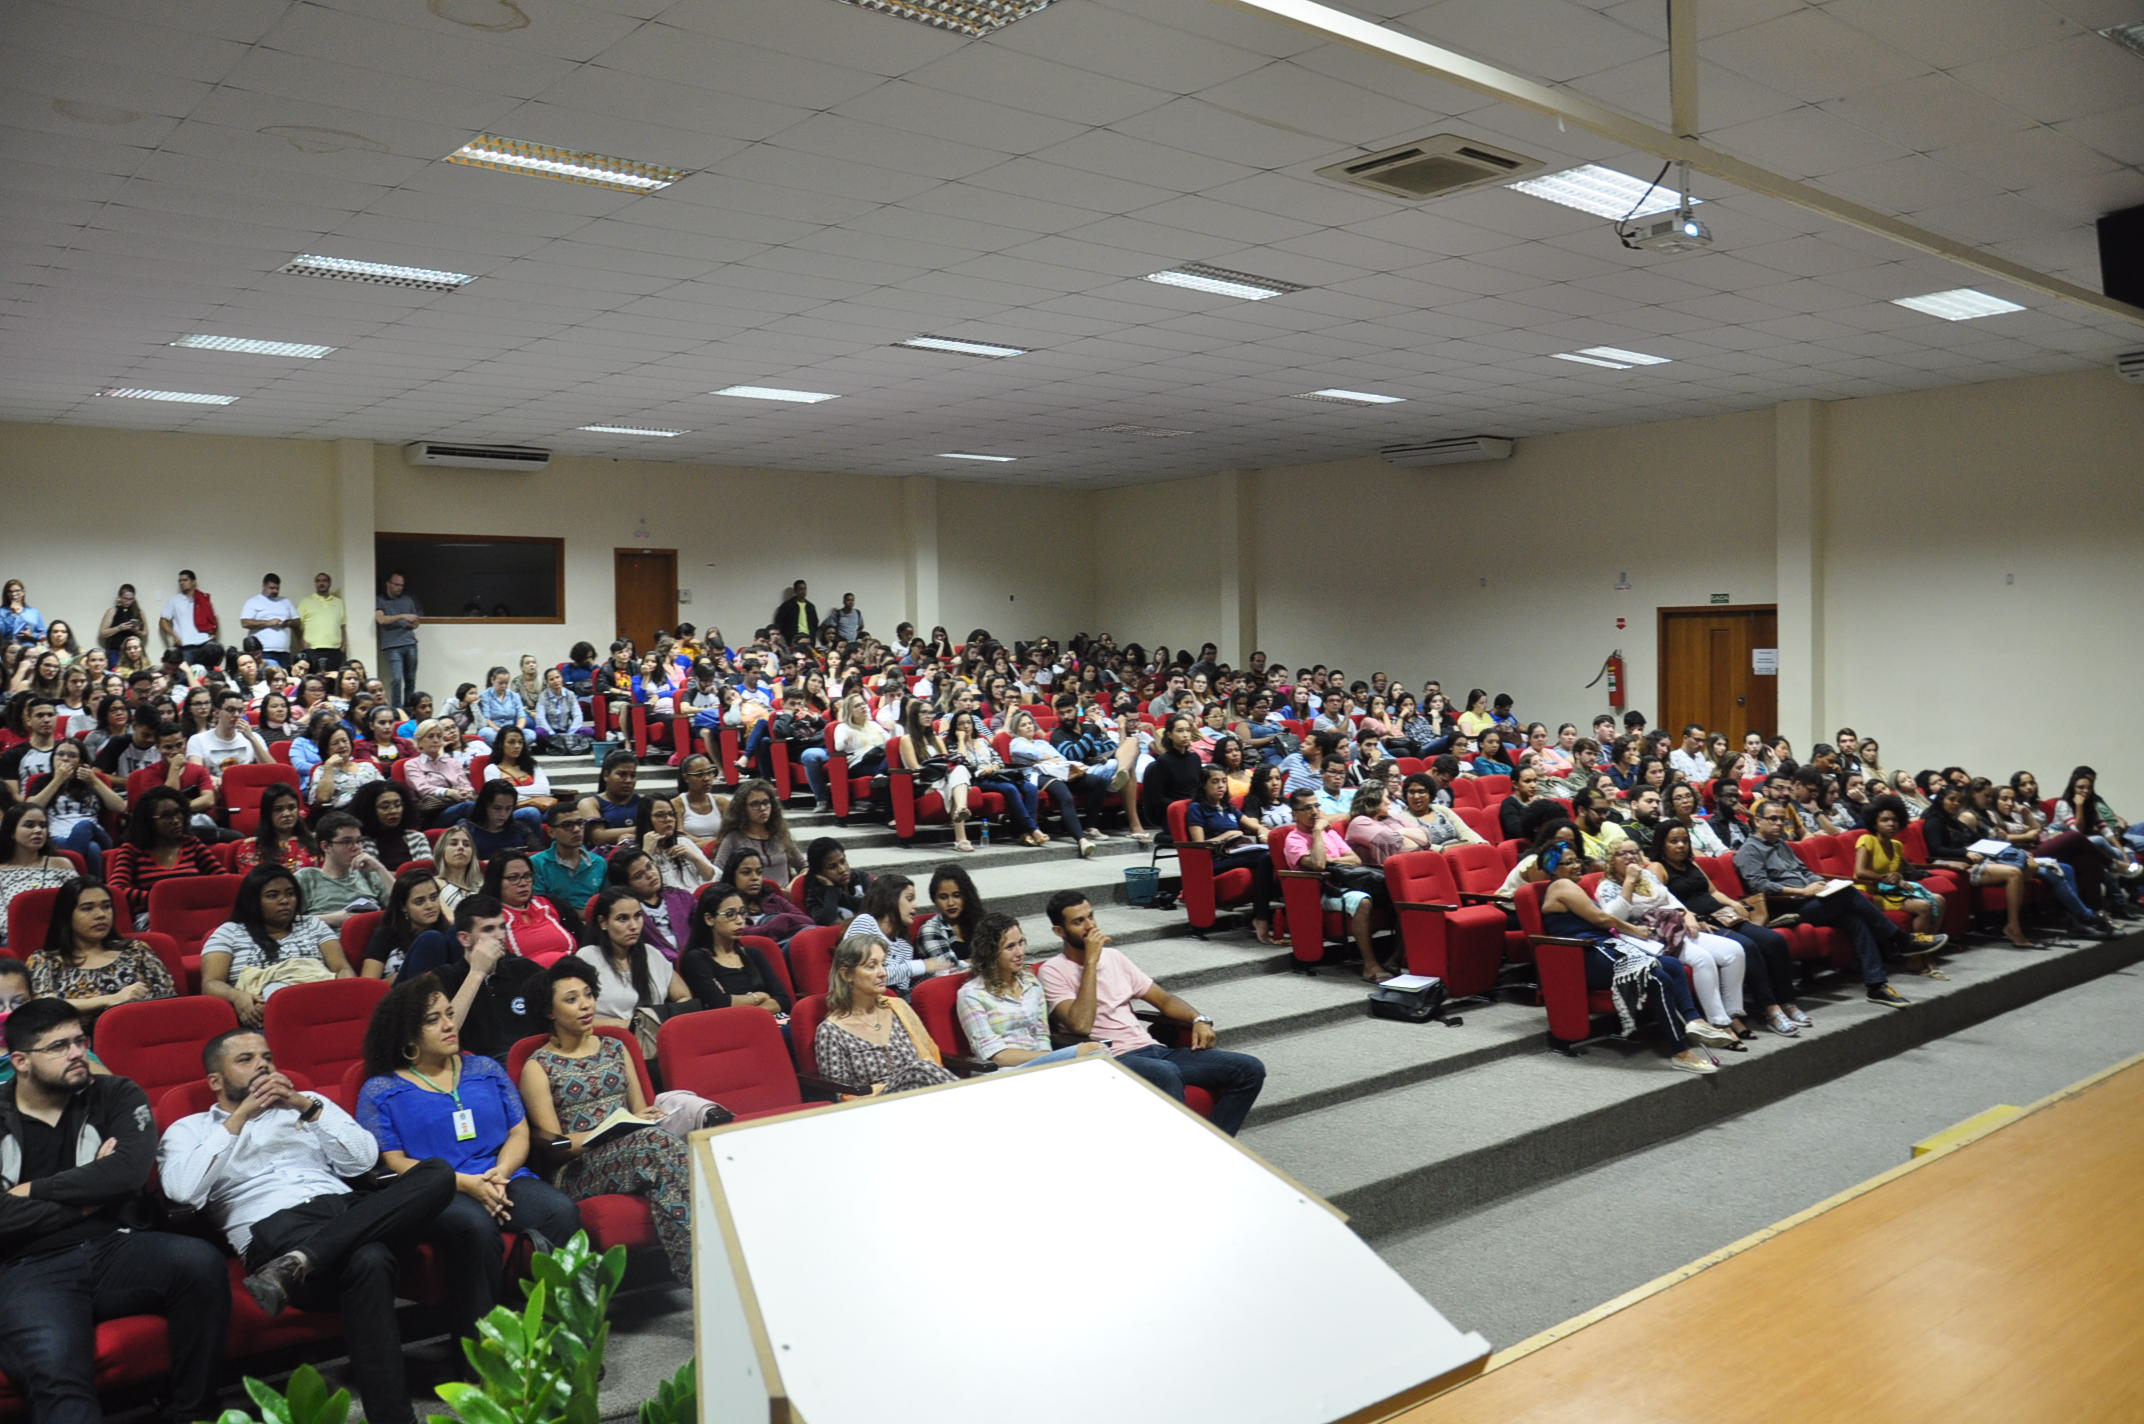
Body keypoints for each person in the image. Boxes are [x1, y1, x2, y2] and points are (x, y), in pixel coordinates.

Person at [160, 1027, 456, 1424]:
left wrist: (304, 1105)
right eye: (246, 1060)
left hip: (344, 1210)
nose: (262, 1066)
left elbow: (362, 1160)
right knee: (369, 1258)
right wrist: (241, 1117)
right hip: (274, 1230)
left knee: (437, 1173)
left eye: (267, 1057)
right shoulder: (190, 1130)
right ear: (215, 1081)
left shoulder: (309, 1105)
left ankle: (300, 1262)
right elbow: (182, 1191)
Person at [0, 999, 232, 1424]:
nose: (77, 1053)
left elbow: (127, 1174)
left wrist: (35, 1190)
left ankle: (189, 1410)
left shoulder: (116, 1093)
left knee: (199, 1263)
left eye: (80, 1041)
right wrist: (91, 1195)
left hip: (114, 1245)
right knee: (55, 1364)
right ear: (21, 1061)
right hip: (26, 1266)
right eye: (59, 1047)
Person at [356, 977, 580, 1336]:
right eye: (433, 1019)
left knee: (560, 1211)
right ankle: (481, 1348)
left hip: (502, 1177)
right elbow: (395, 1161)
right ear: (408, 1034)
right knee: (475, 1228)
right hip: (438, 1192)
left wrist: (500, 1173)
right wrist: (465, 1183)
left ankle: (564, 1337)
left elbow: (518, 1132)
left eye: (449, 1014)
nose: (449, 1024)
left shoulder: (485, 1070)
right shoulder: (382, 1090)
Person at [518, 959, 693, 1281]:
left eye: (588, 994)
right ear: (549, 1011)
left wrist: (644, 1118)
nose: (586, 1005)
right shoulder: (538, 1066)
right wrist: (606, 1132)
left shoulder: (616, 1047)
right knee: (655, 1147)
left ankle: (701, 1263)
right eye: (571, 999)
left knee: (670, 1145)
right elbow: (555, 1147)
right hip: (578, 1168)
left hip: (637, 1148)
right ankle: (701, 1268)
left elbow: (641, 1112)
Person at [1038, 892, 1265, 1133]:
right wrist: (1091, 962)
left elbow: (1164, 1000)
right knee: (1166, 1073)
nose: (1090, 926)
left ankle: (1214, 1145)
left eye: (1091, 916)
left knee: (1249, 1069)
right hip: (1110, 1058)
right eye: (1078, 922)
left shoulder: (1115, 957)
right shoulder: (1052, 971)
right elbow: (1080, 1025)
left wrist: (1198, 1019)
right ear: (1059, 931)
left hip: (1153, 1050)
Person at [1535, 844, 1722, 1073]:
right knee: (1656, 978)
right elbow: (1601, 919)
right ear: (1554, 869)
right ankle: (1680, 1051)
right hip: (1585, 955)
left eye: (1577, 860)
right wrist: (1634, 931)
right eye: (1568, 862)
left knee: (1672, 965)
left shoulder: (1573, 886)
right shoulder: (1561, 885)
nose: (1576, 866)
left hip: (1607, 948)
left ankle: (1694, 1021)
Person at [1736, 800, 1914, 1008]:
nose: (1779, 823)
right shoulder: (1749, 850)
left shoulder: (1782, 845)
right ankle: (1899, 939)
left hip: (1810, 900)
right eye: (1773, 819)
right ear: (1757, 821)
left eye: (1782, 819)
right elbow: (1760, 885)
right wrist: (1803, 891)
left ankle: (1876, 985)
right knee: (1850, 894)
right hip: (1787, 908)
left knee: (1854, 919)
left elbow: (1805, 871)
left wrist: (1821, 884)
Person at [1653, 825, 1809, 1035]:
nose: (1681, 845)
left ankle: (1787, 1002)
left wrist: (1733, 903)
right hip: (1702, 924)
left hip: (1723, 916)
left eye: (1684, 841)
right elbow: (1663, 903)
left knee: (1774, 941)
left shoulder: (1692, 863)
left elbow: (1713, 892)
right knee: (1748, 946)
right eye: (1674, 841)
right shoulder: (1658, 868)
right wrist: (1691, 918)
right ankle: (1770, 1009)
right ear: (1662, 844)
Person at [1595, 841, 1750, 1040]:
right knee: (1702, 959)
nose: (1630, 857)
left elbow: (1671, 900)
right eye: (1622, 853)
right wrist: (1629, 882)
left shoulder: (1648, 876)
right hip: (1649, 937)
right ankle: (1718, 1022)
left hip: (1675, 928)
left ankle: (1733, 1013)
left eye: (1634, 852)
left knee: (1734, 951)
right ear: (1611, 860)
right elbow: (1614, 918)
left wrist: (1688, 916)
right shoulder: (1606, 886)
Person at [955, 913, 1108, 1070]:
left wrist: (1051, 1063)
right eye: (1010, 947)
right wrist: (1057, 1058)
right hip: (1003, 1071)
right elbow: (995, 1056)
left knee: (1096, 1056)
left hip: (1040, 1065)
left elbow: (1042, 1036)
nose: (1020, 952)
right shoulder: (971, 994)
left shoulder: (1031, 983)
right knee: (1091, 1051)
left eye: (1021, 943)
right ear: (990, 952)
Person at [203, 864, 353, 1025]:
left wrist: (345, 993)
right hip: (261, 1012)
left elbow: (342, 968)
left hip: (319, 1004)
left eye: (290, 893)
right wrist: (237, 996)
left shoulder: (313, 925)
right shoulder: (228, 933)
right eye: (272, 895)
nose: (284, 901)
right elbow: (211, 983)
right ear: (253, 901)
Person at [814, 936, 958, 1096]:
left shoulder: (898, 1008)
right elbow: (840, 1094)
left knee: (923, 1069)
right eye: (871, 966)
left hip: (922, 1095)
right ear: (847, 974)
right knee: (920, 1069)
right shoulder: (830, 1032)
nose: (883, 973)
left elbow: (931, 1056)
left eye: (883, 964)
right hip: (874, 1104)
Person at [1278, 791, 1395, 983]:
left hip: (1345, 883)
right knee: (1362, 901)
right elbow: (1318, 865)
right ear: (1294, 814)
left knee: (1399, 893)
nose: (1314, 812)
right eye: (1307, 808)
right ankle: (1370, 965)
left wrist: (1330, 860)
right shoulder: (1294, 839)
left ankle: (1395, 958)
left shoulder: (1330, 833)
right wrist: (1317, 832)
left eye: (1316, 806)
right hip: (1320, 892)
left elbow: (1355, 860)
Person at [28, 877, 179, 1023]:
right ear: (66, 915)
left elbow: (169, 1003)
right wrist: (112, 999)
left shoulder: (136, 951)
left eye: (106, 906)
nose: (101, 915)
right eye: (87, 908)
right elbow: (43, 1008)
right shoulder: (44, 961)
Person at [1853, 796, 1959, 963]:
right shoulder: (1867, 840)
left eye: (1895, 820)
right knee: (1923, 907)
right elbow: (1860, 872)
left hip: (1892, 892)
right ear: (1874, 824)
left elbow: (1902, 872)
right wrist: (1885, 878)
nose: (1891, 824)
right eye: (1885, 820)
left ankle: (1927, 950)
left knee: (1939, 900)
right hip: (1871, 894)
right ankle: (1915, 959)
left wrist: (1901, 878)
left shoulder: (1897, 845)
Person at [1181, 764, 1280, 944]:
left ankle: (1263, 916)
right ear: (1204, 785)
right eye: (1215, 782)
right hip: (1215, 860)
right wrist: (1226, 836)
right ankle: (1261, 918)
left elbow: (1252, 824)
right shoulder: (1197, 808)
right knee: (1264, 857)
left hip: (1236, 853)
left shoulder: (1228, 807)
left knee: (1269, 855)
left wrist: (1263, 831)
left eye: (1224, 781)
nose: (1221, 786)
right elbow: (1198, 846)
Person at [104, 786, 223, 929]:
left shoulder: (192, 844)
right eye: (166, 816)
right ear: (148, 822)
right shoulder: (132, 850)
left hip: (193, 914)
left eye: (178, 812)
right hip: (152, 917)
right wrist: (161, 898)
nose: (176, 820)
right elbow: (117, 889)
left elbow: (223, 880)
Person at [676, 882, 791, 1015]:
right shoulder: (695, 959)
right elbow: (719, 1004)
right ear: (709, 919)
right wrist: (758, 997)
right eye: (730, 914)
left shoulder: (753, 953)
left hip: (774, 1021)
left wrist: (748, 1008)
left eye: (742, 913)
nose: (740, 921)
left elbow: (783, 1000)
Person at [297, 810, 394, 928]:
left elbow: (403, 906)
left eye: (359, 841)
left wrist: (379, 868)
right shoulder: (307, 878)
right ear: (325, 846)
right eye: (347, 842)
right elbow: (286, 921)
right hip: (329, 938)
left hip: (372, 935)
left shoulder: (368, 874)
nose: (356, 847)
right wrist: (332, 919)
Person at [0, 805, 77, 948]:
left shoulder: (62, 864)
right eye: (29, 825)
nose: (38, 830)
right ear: (11, 832)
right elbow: (2, 919)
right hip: (18, 938)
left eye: (43, 826)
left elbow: (80, 900)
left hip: (65, 935)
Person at [484, 850, 575, 967]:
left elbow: (583, 938)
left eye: (527, 876)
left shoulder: (552, 904)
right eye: (513, 878)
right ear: (495, 881)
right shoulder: (488, 917)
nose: (523, 883)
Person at [709, 779, 802, 887]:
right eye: (755, 804)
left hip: (784, 895)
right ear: (743, 808)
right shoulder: (733, 838)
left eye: (766, 802)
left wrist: (792, 886)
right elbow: (717, 875)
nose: (762, 808)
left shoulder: (779, 834)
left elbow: (804, 866)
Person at [531, 802, 605, 911]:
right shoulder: (536, 864)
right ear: (551, 832)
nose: (576, 829)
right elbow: (539, 907)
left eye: (580, 823)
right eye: (567, 825)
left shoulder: (599, 862)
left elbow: (606, 903)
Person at [917, 862, 985, 967]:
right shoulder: (930, 930)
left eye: (957, 895)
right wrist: (983, 962)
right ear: (934, 900)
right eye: (943, 897)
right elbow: (949, 969)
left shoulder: (977, 920)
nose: (950, 903)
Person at [576, 752, 646, 852]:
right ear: (606, 775)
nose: (628, 780)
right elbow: (598, 837)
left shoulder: (643, 800)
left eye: (633, 775)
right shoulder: (590, 803)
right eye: (622, 774)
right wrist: (644, 829)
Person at [374, 571, 423, 712]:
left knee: (410, 679)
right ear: (388, 584)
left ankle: (409, 710)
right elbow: (381, 620)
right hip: (392, 646)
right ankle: (397, 711)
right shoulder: (380, 600)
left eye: (401, 585)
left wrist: (413, 623)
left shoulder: (408, 600)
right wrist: (402, 616)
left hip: (410, 643)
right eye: (396, 584)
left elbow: (416, 622)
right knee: (396, 679)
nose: (399, 588)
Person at [158, 568, 221, 666]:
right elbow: (163, 621)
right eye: (180, 581)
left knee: (207, 672)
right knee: (186, 673)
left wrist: (214, 633)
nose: (181, 583)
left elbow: (214, 618)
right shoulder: (174, 600)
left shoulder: (203, 598)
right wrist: (174, 636)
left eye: (185, 580)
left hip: (205, 643)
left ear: (193, 582)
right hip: (186, 647)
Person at [238, 573, 299, 665]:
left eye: (277, 588)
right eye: (271, 588)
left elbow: (298, 622)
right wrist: (269, 623)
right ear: (264, 586)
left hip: (284, 651)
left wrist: (287, 623)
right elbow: (245, 622)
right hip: (263, 652)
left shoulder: (286, 602)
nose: (275, 591)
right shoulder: (253, 601)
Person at [294, 571, 348, 671]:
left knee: (332, 678)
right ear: (315, 584)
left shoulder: (339, 602)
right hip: (312, 649)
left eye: (324, 581)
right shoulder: (306, 601)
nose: (321, 583)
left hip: (334, 649)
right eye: (318, 581)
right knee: (313, 678)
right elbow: (296, 625)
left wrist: (344, 644)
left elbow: (342, 625)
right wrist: (301, 642)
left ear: (329, 583)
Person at [96, 583, 148, 660]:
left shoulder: (138, 611)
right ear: (120, 597)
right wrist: (119, 628)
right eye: (125, 598)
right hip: (116, 651)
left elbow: (145, 633)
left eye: (131, 599)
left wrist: (136, 631)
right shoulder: (113, 611)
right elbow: (102, 633)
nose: (128, 602)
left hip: (134, 651)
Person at [772, 580, 819, 644]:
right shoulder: (787, 606)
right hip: (793, 639)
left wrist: (812, 635)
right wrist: (788, 635)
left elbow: (815, 623)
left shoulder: (810, 606)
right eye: (800, 589)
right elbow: (779, 622)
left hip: (809, 638)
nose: (803, 591)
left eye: (805, 589)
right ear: (795, 591)